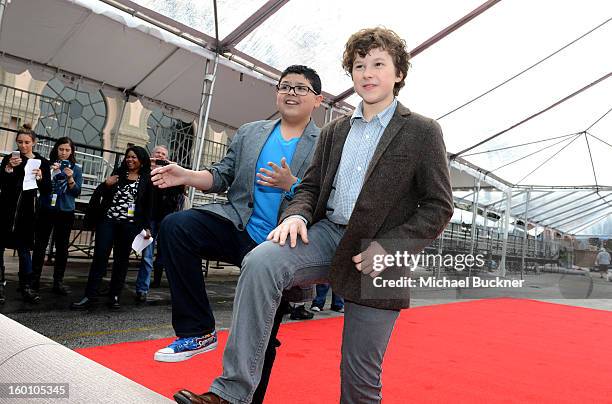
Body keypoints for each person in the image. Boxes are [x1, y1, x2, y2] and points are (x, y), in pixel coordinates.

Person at [174, 28, 454, 404]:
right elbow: (309, 187)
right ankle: (231, 394)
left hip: (380, 252)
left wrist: (391, 248)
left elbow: (439, 205)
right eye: (359, 65)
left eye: (378, 64)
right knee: (261, 262)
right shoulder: (335, 130)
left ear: (398, 73)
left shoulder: (422, 131)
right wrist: (297, 216)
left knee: (360, 375)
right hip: (327, 233)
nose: (367, 73)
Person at [152, 65, 323, 401]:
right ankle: (197, 329)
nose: (291, 92)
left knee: (263, 336)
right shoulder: (251, 132)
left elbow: (324, 197)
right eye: (285, 86)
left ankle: (239, 399)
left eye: (301, 88)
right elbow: (221, 176)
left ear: (317, 100)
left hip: (280, 247)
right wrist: (186, 175)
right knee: (176, 227)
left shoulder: (325, 144)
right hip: (238, 226)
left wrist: (292, 185)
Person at [71, 146, 153, 310]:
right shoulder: (118, 173)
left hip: (129, 225)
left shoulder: (146, 179)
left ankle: (115, 295)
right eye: (128, 157)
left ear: (142, 160)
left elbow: (149, 205)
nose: (130, 160)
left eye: (134, 157)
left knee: (121, 261)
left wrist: (147, 226)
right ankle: (89, 295)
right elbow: (102, 193)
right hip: (108, 221)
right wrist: (105, 184)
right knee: (100, 257)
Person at [0, 124, 52, 303]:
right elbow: (3, 184)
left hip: (27, 213)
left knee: (24, 251)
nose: (23, 146)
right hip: (6, 211)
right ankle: (0, 286)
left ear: (34, 143)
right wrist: (8, 168)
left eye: (27, 142)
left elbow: (47, 190)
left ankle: (26, 287)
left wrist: (41, 177)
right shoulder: (10, 158)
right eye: (20, 142)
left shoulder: (42, 162)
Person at [31, 137, 83, 295]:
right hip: (47, 208)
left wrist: (70, 178)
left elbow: (76, 192)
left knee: (62, 247)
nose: (64, 153)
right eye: (61, 149)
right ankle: (34, 280)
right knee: (40, 244)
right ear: (56, 150)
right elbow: (41, 187)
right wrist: (50, 173)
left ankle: (58, 281)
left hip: (65, 210)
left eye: (67, 150)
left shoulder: (76, 168)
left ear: (72, 151)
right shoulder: (48, 165)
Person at [134, 145, 184, 300]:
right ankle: (142, 289)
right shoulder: (146, 172)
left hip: (166, 219)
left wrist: (173, 167)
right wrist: (149, 165)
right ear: (152, 155)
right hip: (149, 220)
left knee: (163, 253)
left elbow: (182, 190)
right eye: (158, 153)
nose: (161, 156)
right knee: (147, 256)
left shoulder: (171, 174)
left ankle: (156, 280)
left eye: (163, 154)